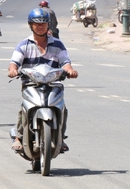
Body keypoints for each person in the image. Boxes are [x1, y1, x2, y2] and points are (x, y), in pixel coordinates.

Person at [8, 8, 78, 152]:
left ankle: (60, 136)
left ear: (48, 25)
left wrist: (70, 70)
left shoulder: (58, 44)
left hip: (54, 84)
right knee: (24, 109)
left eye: (43, 24)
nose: (40, 27)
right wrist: (13, 70)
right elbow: (14, 62)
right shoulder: (24, 45)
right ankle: (19, 137)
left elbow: (65, 62)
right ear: (30, 25)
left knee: (62, 109)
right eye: (36, 24)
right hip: (31, 84)